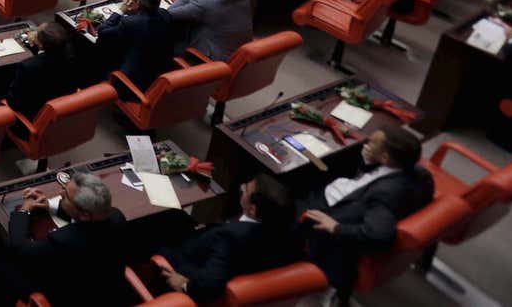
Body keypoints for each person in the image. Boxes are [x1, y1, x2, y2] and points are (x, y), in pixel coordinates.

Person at [300, 127, 434, 293]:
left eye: (371, 143)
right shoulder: (421, 173)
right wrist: (370, 159)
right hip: (352, 194)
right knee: (335, 160)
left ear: (385, 157)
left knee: (291, 187)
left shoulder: (385, 194)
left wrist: (335, 227)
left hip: (329, 214)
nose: (366, 143)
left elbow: (379, 235)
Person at [155, 175, 297, 301]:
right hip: (209, 245)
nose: (242, 189)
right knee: (175, 215)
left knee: (150, 225)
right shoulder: (284, 230)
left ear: (253, 209)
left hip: (181, 260)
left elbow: (210, 284)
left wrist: (186, 286)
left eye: (245, 189)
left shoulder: (231, 237)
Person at [0, 172, 131, 305]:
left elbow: (20, 248)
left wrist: (24, 210)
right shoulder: (116, 216)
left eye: (66, 196)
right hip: (105, 289)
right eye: (64, 188)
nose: (61, 193)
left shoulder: (65, 240)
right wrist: (50, 207)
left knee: (6, 262)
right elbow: (84, 218)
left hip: (70, 296)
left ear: (85, 215)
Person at [97, 0, 174, 90]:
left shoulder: (130, 22)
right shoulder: (165, 14)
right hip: (158, 73)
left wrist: (121, 10)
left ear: (137, 2)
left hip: (131, 83)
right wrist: (137, 13)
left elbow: (102, 31)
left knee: (101, 46)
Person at [167, 0, 253, 61]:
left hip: (216, 59)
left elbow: (169, 13)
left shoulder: (202, 5)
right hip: (239, 51)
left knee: (171, 31)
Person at [4, 21, 79, 122]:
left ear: (40, 43)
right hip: (61, 108)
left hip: (32, 115)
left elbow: (13, 102)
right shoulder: (72, 53)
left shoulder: (28, 66)